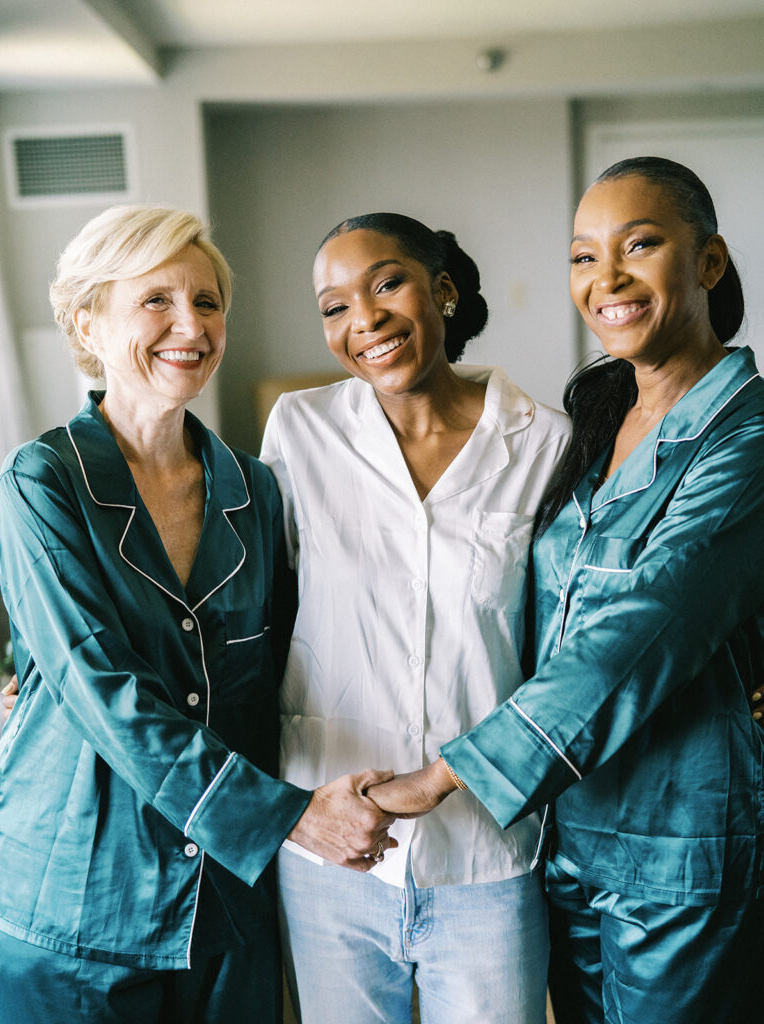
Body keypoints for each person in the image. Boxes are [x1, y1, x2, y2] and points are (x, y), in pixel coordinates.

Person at [369, 157, 764, 1023]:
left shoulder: (748, 437)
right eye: (584, 256)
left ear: (709, 261)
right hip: (567, 839)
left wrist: (446, 775)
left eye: (639, 245)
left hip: (680, 848)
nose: (606, 278)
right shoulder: (593, 417)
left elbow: (649, 621)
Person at [0, 205, 395, 1024]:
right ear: (87, 321)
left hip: (225, 910)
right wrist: (290, 817)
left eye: (208, 302)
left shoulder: (253, 490)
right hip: (79, 899)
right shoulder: (42, 482)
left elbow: (283, 674)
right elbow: (99, 686)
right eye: (157, 300)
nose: (192, 325)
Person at [260, 213, 571, 1023]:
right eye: (334, 307)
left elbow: (561, 651)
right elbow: (265, 610)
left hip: (486, 855)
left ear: (443, 290)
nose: (363, 319)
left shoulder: (545, 443)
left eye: (387, 283)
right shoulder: (301, 430)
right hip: (332, 844)